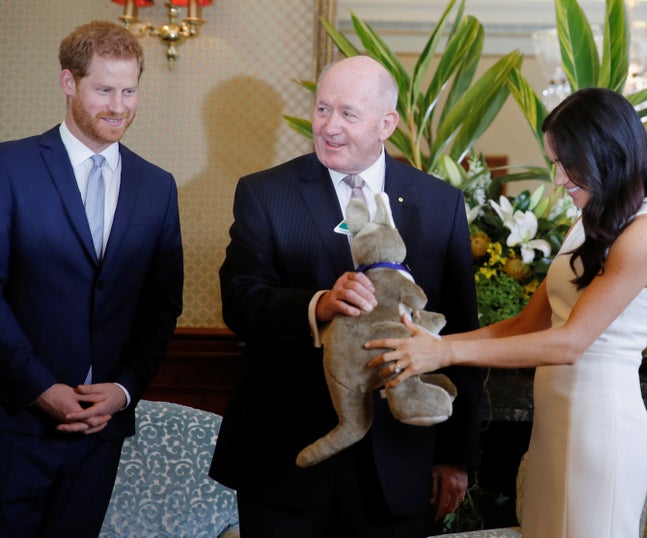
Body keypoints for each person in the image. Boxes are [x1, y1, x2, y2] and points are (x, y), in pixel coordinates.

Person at [368, 87, 647, 538]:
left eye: (565, 163)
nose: (558, 179)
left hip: (601, 431)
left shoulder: (646, 233)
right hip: (557, 423)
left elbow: (570, 343)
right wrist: (433, 345)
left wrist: (444, 357)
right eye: (555, 162)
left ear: (604, 154)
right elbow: (525, 324)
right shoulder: (590, 221)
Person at [209, 55, 484, 538]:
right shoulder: (265, 193)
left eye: (348, 114)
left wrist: (455, 455)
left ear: (387, 123)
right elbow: (240, 298)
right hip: (287, 457)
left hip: (398, 461)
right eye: (322, 109)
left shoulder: (440, 203)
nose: (329, 127)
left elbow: (461, 331)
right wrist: (317, 305)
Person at [0, 21, 183, 537]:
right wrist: (39, 387)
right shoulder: (8, 168)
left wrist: (124, 390)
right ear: (68, 83)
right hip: (13, 422)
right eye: (104, 89)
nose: (119, 106)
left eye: (129, 91)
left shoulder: (158, 187)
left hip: (101, 434)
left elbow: (162, 304)